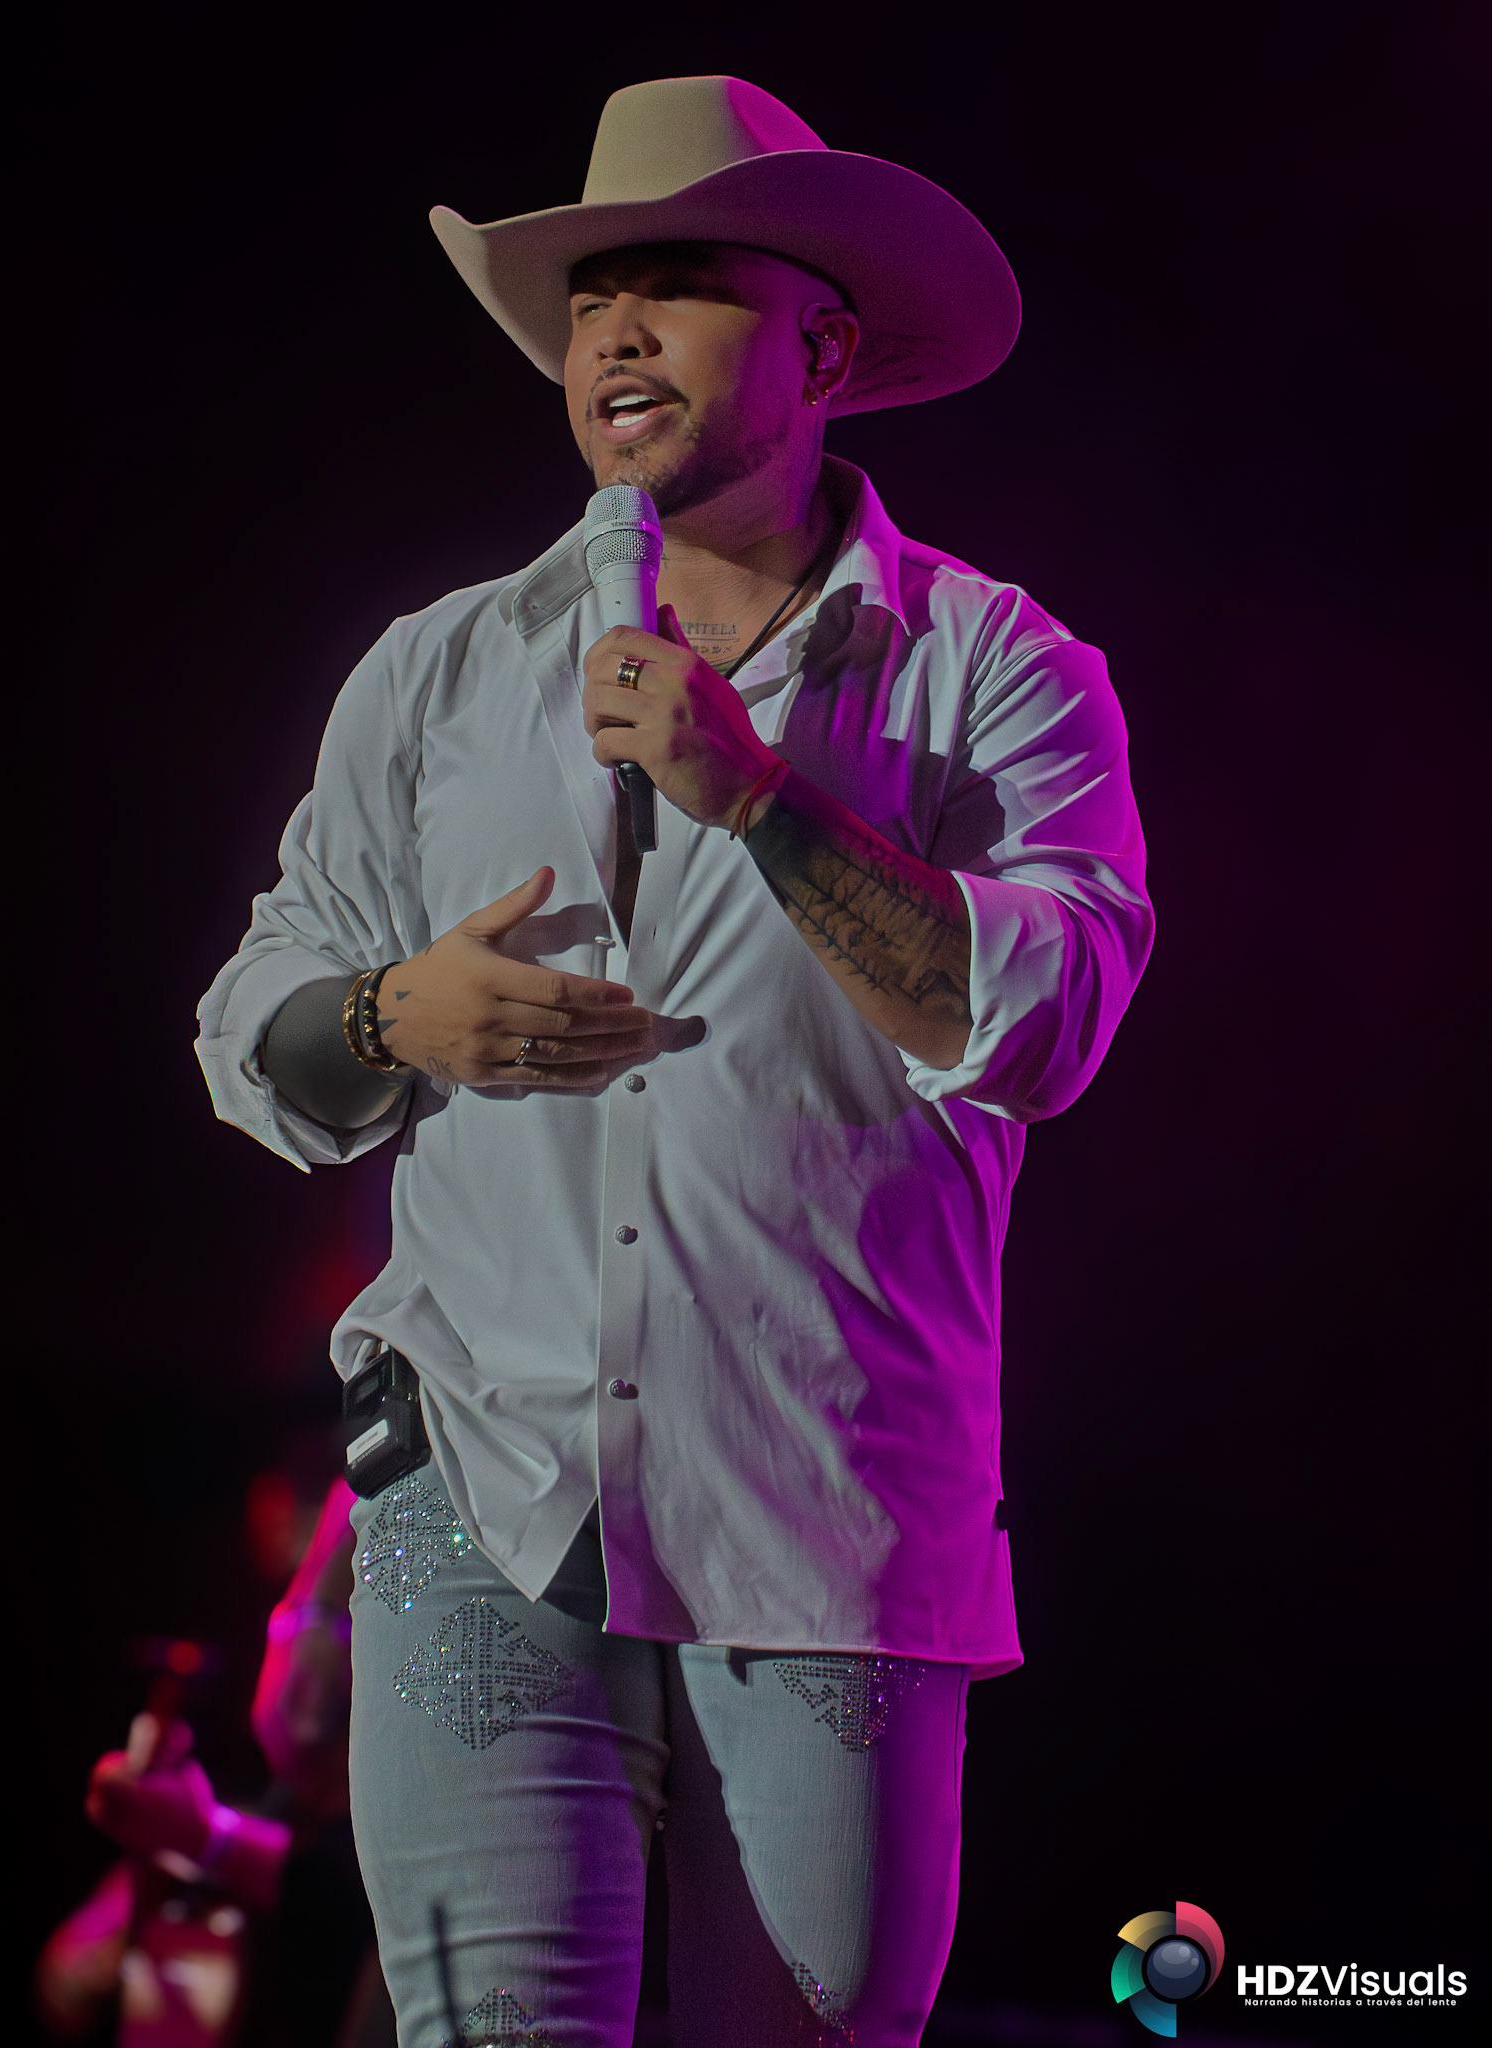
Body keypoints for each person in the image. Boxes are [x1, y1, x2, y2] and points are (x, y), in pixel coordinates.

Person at [195, 74, 1152, 2048]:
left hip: (825, 1517)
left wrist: (763, 797)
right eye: (588, 299)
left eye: (678, 285)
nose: (614, 332)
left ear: (826, 347)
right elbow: (252, 1021)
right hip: (480, 1483)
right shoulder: (445, 670)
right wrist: (393, 1016)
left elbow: (1046, 1021)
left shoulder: (997, 670)